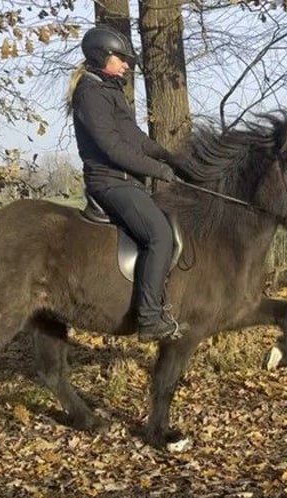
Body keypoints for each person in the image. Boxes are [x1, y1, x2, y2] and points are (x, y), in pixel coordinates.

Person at [67, 24, 195, 342]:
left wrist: (168, 157)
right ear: (102, 56)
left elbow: (135, 138)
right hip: (110, 183)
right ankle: (150, 319)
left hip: (127, 182)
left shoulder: (110, 90)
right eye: (121, 58)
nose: (126, 64)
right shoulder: (90, 94)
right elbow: (112, 147)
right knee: (159, 236)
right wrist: (157, 170)